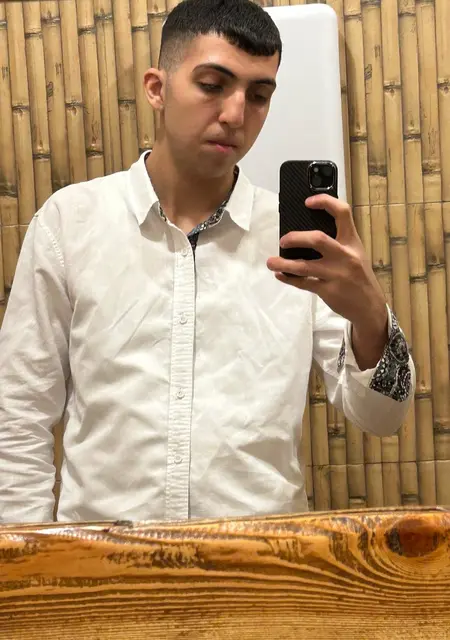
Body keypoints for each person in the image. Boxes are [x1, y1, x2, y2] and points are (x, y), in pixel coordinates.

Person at [0, 0, 414, 524]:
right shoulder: (70, 222)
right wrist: (28, 561)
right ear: (157, 88)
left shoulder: (298, 239)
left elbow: (382, 416)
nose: (236, 115)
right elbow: (19, 415)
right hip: (102, 564)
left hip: (261, 560)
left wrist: (371, 316)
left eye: (259, 95)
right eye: (213, 85)